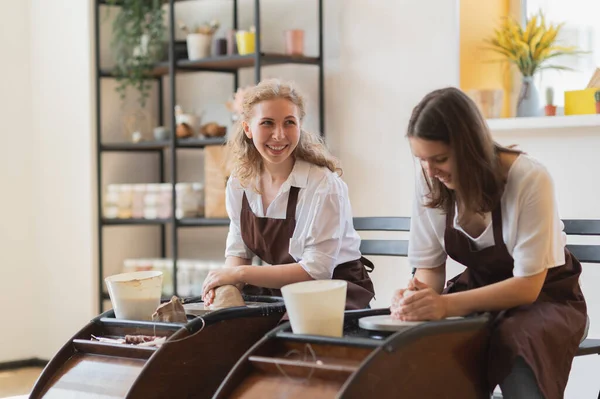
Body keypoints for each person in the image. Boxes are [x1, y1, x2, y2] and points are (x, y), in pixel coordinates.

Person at [390, 87, 587, 399]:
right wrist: (416, 298)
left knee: (514, 341)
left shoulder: (529, 178)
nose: (430, 171)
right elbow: (429, 270)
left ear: (470, 147)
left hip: (547, 300)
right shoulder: (430, 179)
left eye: (440, 159)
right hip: (479, 290)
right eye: (422, 160)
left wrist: (443, 305)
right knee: (429, 343)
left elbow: (527, 287)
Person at [202, 79, 374, 310]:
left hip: (333, 292)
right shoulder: (239, 183)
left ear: (300, 126)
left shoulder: (322, 185)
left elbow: (316, 271)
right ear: (247, 129)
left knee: (268, 341)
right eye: (267, 123)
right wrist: (225, 285)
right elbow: (238, 251)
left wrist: (238, 273)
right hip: (280, 293)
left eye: (289, 123)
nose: (279, 135)